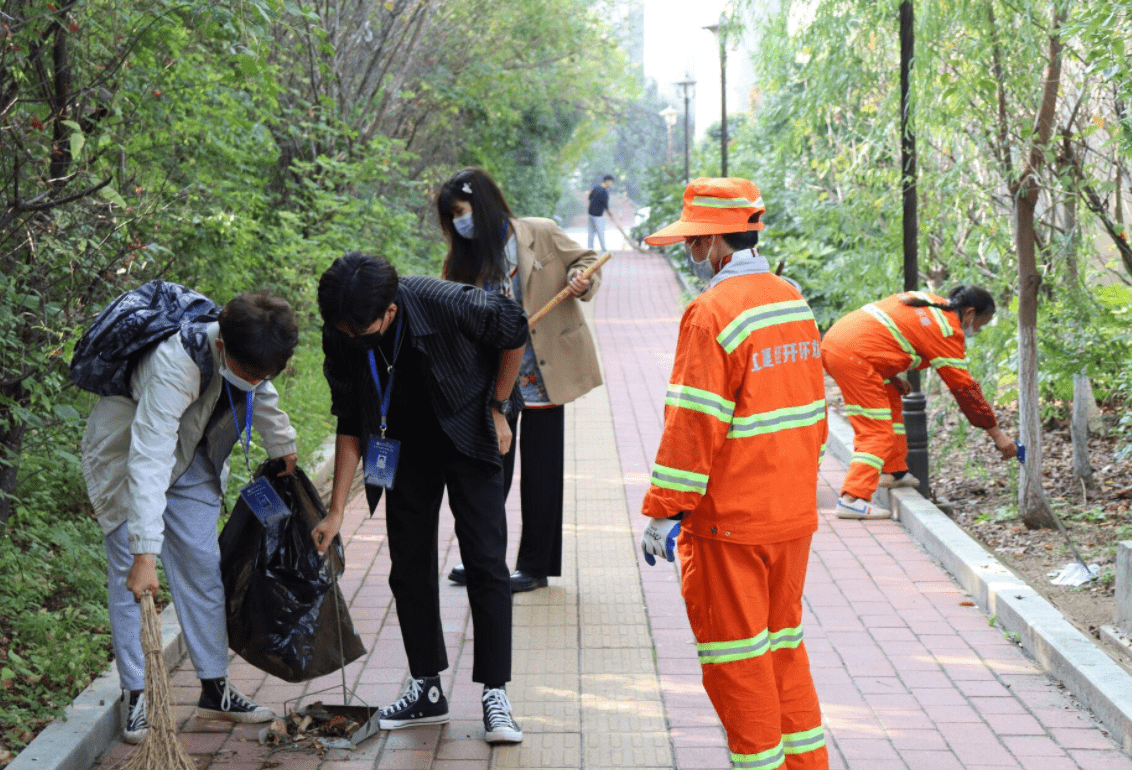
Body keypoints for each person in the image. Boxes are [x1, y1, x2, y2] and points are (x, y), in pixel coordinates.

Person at [639, 178, 830, 770]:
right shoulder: (790, 299)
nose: (692, 255)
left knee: (737, 664)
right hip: (790, 517)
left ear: (719, 242)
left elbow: (693, 423)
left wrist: (664, 511)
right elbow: (812, 415)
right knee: (783, 652)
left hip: (730, 526)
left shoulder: (712, 313)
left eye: (696, 244)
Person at [311, 252, 528, 744]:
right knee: (407, 566)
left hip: (471, 431)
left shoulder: (444, 301)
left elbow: (514, 328)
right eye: (343, 331)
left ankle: (496, 693)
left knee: (485, 561)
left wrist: (498, 405)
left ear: (389, 311)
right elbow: (349, 419)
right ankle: (426, 687)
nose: (351, 338)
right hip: (402, 445)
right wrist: (337, 511)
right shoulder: (343, 330)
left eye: (360, 331)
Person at [81, 291, 299, 744]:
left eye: (266, 373)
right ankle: (137, 693)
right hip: (128, 458)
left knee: (202, 566)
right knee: (130, 575)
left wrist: (285, 450)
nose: (257, 380)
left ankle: (215, 689)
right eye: (250, 372)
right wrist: (146, 552)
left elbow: (264, 395)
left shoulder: (249, 351)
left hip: (194, 454)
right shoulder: (173, 364)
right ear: (222, 348)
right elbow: (148, 460)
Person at [437, 167, 603, 593]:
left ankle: (535, 566)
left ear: (485, 203)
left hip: (546, 372)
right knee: (491, 472)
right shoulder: (462, 258)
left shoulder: (539, 232)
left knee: (542, 474)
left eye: (462, 211)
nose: (459, 222)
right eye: (452, 216)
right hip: (496, 384)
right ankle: (485, 561)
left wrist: (580, 280)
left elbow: (585, 260)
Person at [821, 286, 1017, 520]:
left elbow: (886, 335)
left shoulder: (929, 303)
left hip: (842, 345)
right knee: (876, 432)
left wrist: (892, 375)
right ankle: (853, 498)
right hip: (854, 357)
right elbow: (965, 391)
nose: (977, 330)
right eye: (980, 325)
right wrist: (997, 435)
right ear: (970, 314)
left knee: (891, 402)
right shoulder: (945, 331)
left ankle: (895, 471)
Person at [586, 174, 614, 252]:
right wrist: (611, 215)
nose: (611, 184)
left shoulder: (596, 188)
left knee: (591, 233)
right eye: (611, 182)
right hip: (598, 215)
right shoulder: (604, 192)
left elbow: (589, 198)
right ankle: (604, 249)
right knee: (600, 232)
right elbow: (606, 206)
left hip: (590, 214)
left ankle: (590, 250)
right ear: (607, 181)